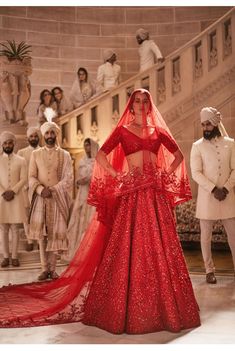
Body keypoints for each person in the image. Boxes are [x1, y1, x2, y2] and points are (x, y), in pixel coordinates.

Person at [0, 89, 200, 334]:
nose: (140, 104)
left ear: (149, 105)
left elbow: (178, 156)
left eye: (144, 101)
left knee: (159, 244)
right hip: (132, 192)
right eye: (136, 101)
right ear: (131, 104)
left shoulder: (157, 131)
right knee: (129, 245)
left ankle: (166, 305)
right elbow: (102, 156)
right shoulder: (123, 131)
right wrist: (119, 176)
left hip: (154, 194)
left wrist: (164, 174)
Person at [190, 107, 235, 284]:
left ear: (215, 123)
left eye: (208, 123)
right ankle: (209, 270)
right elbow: (196, 172)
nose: (205, 127)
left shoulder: (231, 144)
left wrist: (226, 188)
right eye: (203, 124)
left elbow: (234, 169)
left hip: (228, 196)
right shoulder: (197, 146)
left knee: (233, 235)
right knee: (205, 237)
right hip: (208, 198)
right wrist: (213, 189)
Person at [28, 122, 73, 281]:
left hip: (57, 199)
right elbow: (31, 176)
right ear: (43, 135)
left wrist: (53, 190)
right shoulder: (36, 154)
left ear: (56, 135)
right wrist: (41, 190)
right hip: (41, 199)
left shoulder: (65, 155)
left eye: (52, 133)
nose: (49, 136)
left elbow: (68, 178)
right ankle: (43, 268)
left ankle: (53, 270)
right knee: (42, 235)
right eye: (47, 134)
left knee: (55, 234)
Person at [65, 138, 99, 261]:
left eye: (88, 146)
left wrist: (89, 179)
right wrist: (78, 181)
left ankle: (91, 253)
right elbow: (78, 176)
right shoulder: (82, 161)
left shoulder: (98, 161)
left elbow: (101, 176)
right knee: (79, 220)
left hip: (94, 195)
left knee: (90, 221)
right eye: (85, 146)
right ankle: (79, 252)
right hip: (83, 194)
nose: (86, 148)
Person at [0, 131, 27, 267]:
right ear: (2, 144)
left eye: (10, 142)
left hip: (16, 198)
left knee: (15, 229)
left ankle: (15, 257)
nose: (8, 145)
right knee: (3, 229)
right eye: (5, 143)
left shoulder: (21, 160)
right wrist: (4, 192)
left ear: (14, 144)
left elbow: (24, 178)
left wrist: (13, 191)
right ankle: (5, 257)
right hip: (2, 198)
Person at [17, 127, 41, 252]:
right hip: (25, 189)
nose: (33, 138)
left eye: (35, 136)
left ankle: (38, 240)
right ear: (27, 138)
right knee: (26, 217)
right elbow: (19, 171)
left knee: (39, 216)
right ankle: (30, 240)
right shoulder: (21, 153)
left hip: (39, 189)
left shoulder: (43, 151)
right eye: (31, 136)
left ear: (39, 137)